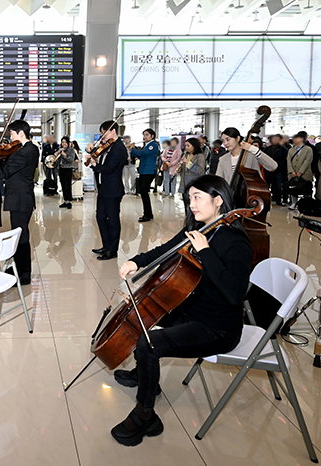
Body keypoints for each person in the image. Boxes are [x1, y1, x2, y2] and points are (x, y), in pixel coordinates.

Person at [111, 175, 251, 446]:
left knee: (149, 345)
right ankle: (145, 375)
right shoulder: (199, 228)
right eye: (190, 199)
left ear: (218, 200)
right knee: (143, 314)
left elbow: (235, 294)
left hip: (218, 327)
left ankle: (145, 415)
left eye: (198, 198)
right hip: (194, 309)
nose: (192, 205)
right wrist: (135, 262)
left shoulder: (235, 241)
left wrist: (206, 252)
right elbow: (166, 249)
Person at [2, 120, 38, 284]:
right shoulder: (28, 149)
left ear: (21, 134)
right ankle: (18, 266)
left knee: (21, 236)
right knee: (18, 234)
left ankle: (24, 274)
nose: (10, 137)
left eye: (12, 134)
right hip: (21, 198)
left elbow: (5, 172)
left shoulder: (25, 152)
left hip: (20, 200)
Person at [87, 120, 127, 260]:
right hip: (104, 188)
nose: (102, 136)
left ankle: (113, 250)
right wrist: (90, 150)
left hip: (113, 189)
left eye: (104, 132)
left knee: (113, 220)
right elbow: (97, 154)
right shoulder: (108, 146)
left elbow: (108, 169)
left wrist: (94, 164)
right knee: (101, 217)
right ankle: (106, 245)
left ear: (113, 131)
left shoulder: (119, 148)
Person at [128, 129, 160, 222]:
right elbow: (141, 156)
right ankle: (148, 213)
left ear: (152, 136)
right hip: (143, 170)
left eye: (146, 135)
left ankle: (147, 214)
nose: (144, 137)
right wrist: (132, 150)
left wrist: (133, 148)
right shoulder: (147, 145)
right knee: (143, 192)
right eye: (144, 135)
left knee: (144, 192)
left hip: (148, 171)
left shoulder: (153, 145)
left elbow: (142, 153)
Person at [287, 132, 315, 209]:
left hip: (305, 173)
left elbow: (308, 161)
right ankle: (294, 203)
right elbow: (288, 161)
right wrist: (291, 171)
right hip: (293, 173)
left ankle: (306, 203)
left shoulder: (308, 149)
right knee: (294, 188)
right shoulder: (291, 150)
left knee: (306, 188)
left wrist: (301, 171)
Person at [177, 137, 206, 207]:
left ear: (194, 146)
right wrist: (179, 168)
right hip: (184, 184)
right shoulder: (185, 155)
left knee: (194, 205)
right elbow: (184, 170)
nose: (186, 148)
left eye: (188, 145)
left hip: (195, 184)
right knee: (186, 204)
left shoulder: (200, 156)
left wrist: (188, 162)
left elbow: (200, 170)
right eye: (185, 146)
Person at [263, 134, 288, 205]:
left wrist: (276, 168)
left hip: (278, 171)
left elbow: (284, 161)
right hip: (267, 170)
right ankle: (266, 199)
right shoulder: (266, 149)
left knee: (278, 185)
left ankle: (278, 200)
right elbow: (264, 160)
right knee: (266, 185)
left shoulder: (284, 150)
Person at [56, 136, 77, 209]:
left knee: (68, 186)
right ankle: (65, 201)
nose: (64, 144)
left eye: (65, 142)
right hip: (61, 169)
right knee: (63, 185)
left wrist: (64, 155)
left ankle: (69, 201)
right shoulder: (60, 150)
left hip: (68, 169)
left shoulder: (71, 150)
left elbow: (71, 159)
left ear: (68, 143)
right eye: (62, 142)